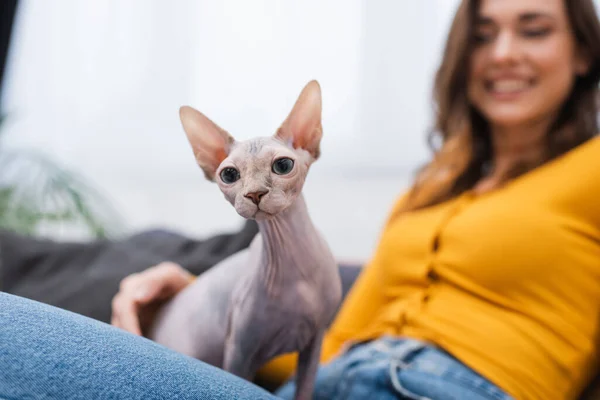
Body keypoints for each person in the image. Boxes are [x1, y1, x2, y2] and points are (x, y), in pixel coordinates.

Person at [112, 0, 600, 399]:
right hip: (327, 383)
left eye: (534, 30)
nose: (503, 53)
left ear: (583, 53)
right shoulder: (425, 192)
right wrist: (198, 302)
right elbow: (324, 335)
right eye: (482, 35)